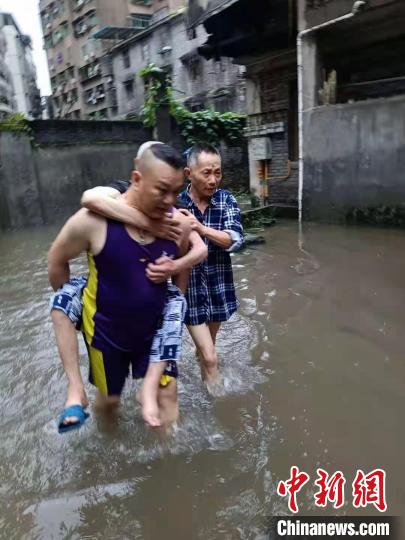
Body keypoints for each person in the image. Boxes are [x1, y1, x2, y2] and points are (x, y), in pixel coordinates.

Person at [49, 144, 204, 431]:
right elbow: (57, 261)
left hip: (154, 331)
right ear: (136, 179)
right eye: (161, 190)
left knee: (167, 397)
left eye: (176, 191)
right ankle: (110, 454)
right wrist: (76, 314)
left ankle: (167, 466)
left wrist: (174, 313)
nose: (170, 201)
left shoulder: (177, 224)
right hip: (106, 333)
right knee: (109, 401)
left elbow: (185, 266)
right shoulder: (93, 221)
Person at [178, 143, 244, 389]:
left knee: (208, 347)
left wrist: (200, 228)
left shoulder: (226, 200)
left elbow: (234, 239)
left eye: (217, 172)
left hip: (218, 287)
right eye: (207, 173)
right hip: (189, 291)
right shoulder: (177, 203)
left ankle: (203, 369)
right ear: (189, 174)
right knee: (210, 356)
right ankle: (217, 405)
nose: (214, 179)